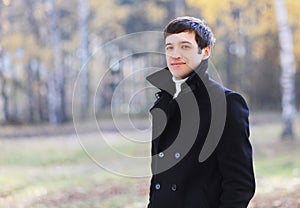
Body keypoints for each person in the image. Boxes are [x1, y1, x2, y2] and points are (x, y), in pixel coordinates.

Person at [146, 16, 255, 208]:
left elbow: (240, 184)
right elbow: (159, 178)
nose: (175, 54)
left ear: (205, 52)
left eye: (185, 46)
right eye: (169, 47)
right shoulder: (163, 103)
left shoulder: (226, 103)